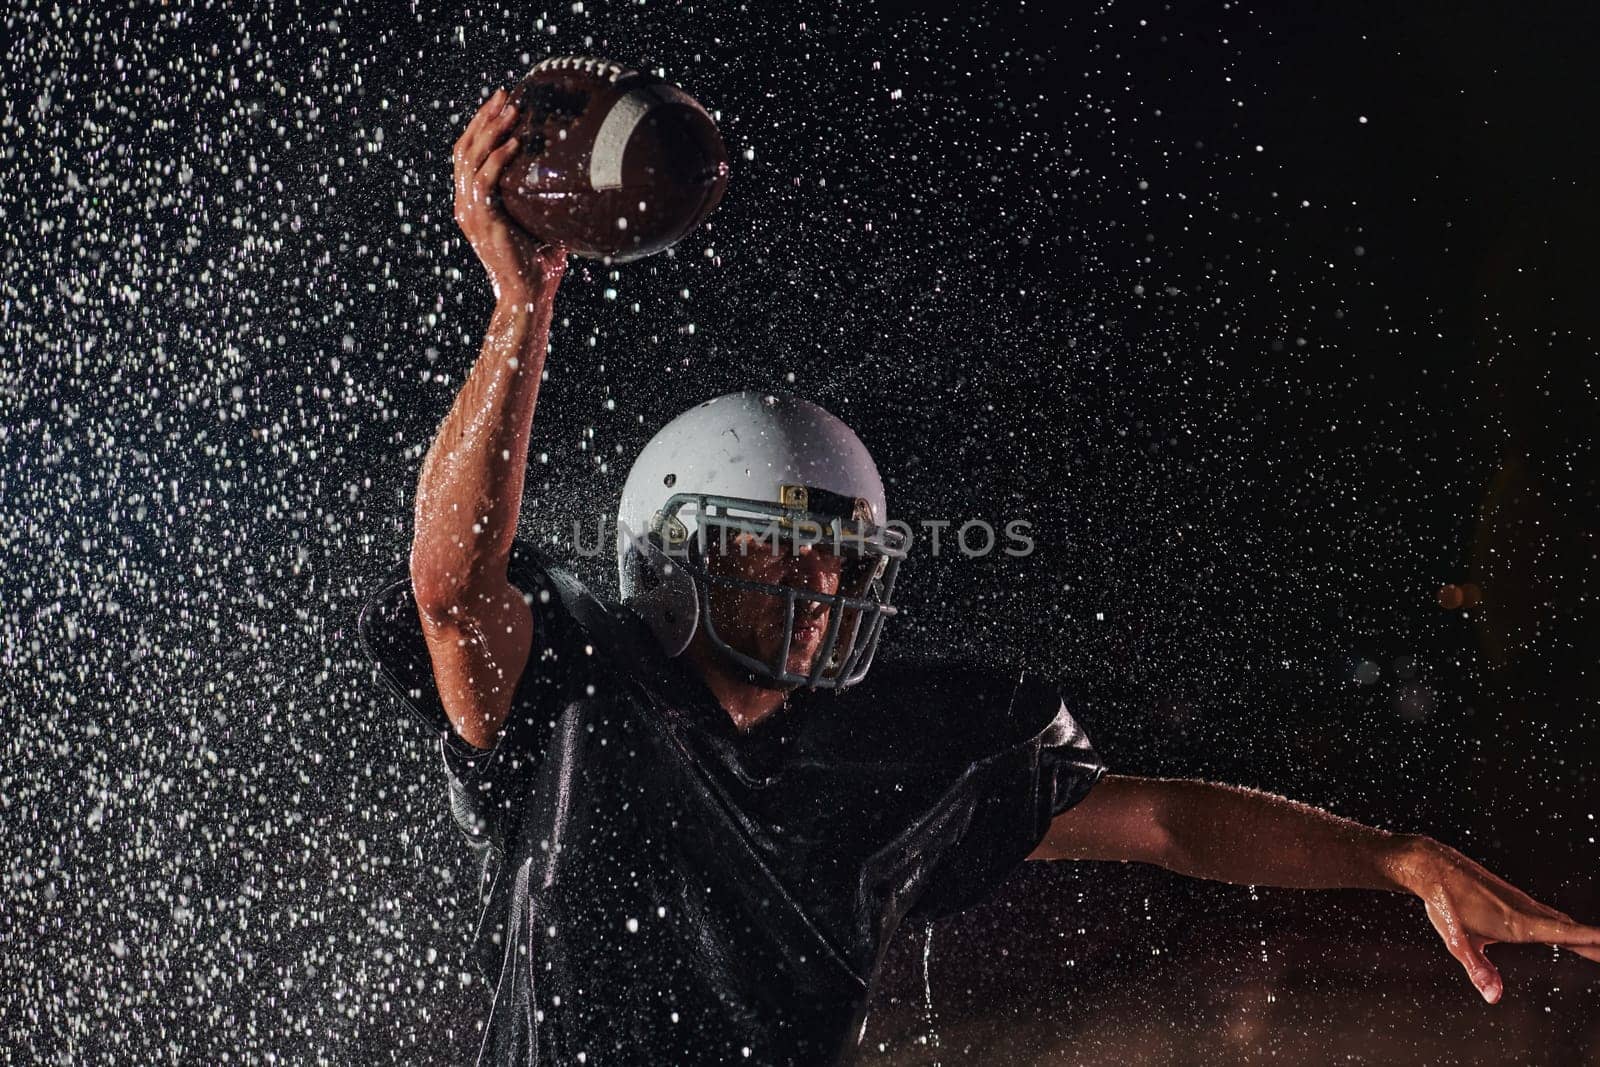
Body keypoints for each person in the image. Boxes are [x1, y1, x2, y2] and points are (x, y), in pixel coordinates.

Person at [357, 87, 1600, 1067]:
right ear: (669, 547)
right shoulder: (577, 698)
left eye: (839, 552)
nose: (818, 581)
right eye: (774, 544)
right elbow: (453, 588)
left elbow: (1167, 822)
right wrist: (523, 304)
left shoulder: (892, 747)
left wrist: (1395, 855)